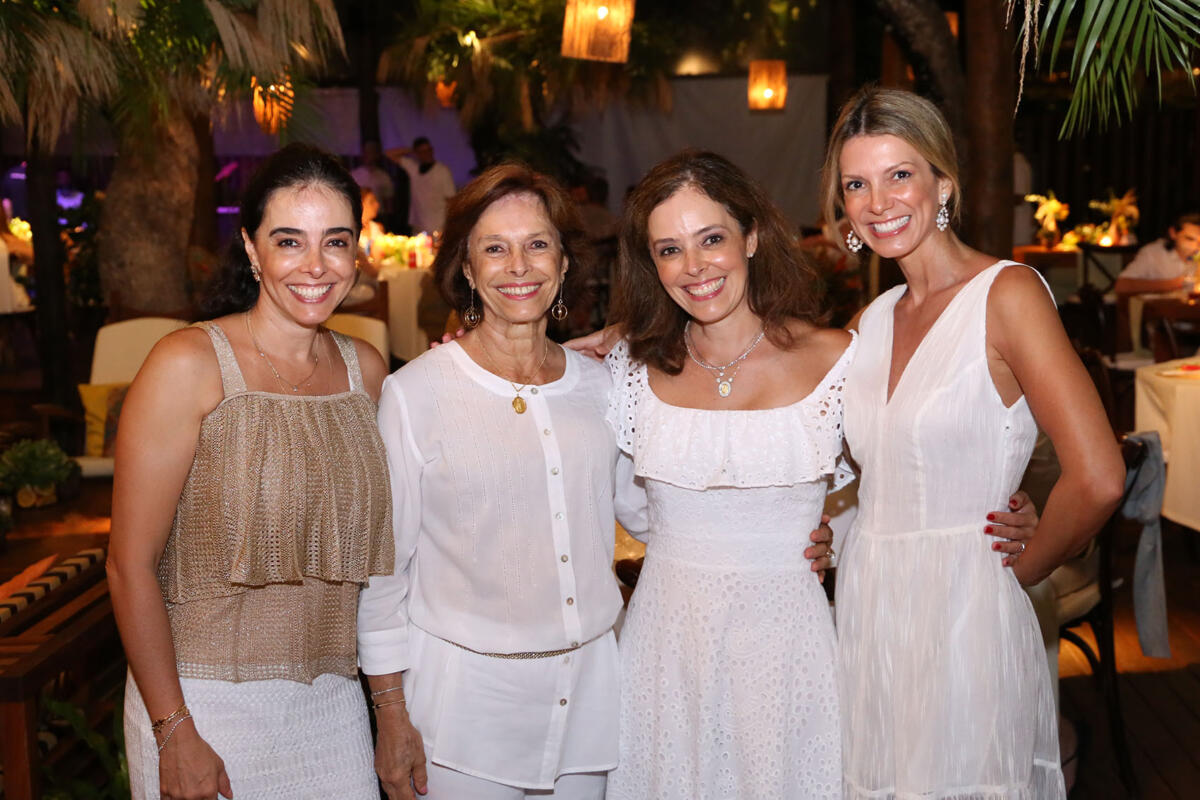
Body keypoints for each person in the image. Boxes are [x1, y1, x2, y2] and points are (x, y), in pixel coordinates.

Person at [821, 86, 1125, 798]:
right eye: (856, 185)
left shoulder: (1007, 295)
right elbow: (864, 468)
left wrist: (1025, 570)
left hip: (967, 610)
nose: (878, 202)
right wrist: (825, 530)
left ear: (944, 183)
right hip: (871, 607)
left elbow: (1099, 475)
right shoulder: (870, 321)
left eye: (900, 175)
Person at [107, 143, 394, 800]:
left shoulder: (367, 373)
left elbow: (386, 565)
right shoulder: (187, 364)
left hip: (332, 704)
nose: (316, 265)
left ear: (357, 252)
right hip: (202, 705)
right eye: (289, 241)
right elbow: (128, 565)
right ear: (251, 248)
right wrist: (173, 729)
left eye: (335, 241)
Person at [357, 163, 651, 800]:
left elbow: (657, 513)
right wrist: (390, 716)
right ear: (466, 268)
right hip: (464, 718)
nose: (519, 266)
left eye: (537, 244)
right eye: (495, 248)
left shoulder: (601, 387)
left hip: (590, 705)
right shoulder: (416, 393)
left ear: (563, 264)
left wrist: (774, 524)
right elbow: (383, 573)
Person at [599, 149, 853, 799]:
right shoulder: (628, 371)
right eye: (670, 250)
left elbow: (886, 484)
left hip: (788, 647)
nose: (694, 266)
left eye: (711, 239)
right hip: (665, 649)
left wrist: (837, 536)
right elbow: (620, 500)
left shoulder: (839, 361)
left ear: (752, 237)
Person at [1114, 210, 1200, 295]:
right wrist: (1175, 284)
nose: (1197, 246)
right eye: (1190, 239)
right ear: (1173, 233)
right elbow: (1122, 286)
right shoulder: (1153, 253)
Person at [386, 137, 456, 233]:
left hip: (438, 226)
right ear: (417, 154)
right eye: (422, 151)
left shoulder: (442, 171)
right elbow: (389, 154)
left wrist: (450, 225)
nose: (427, 154)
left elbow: (451, 200)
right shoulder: (414, 168)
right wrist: (410, 150)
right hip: (418, 226)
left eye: (429, 150)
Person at [353, 140, 397, 220]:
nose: (369, 155)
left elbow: (389, 200)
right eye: (367, 152)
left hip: (379, 216)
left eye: (372, 152)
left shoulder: (383, 176)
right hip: (360, 216)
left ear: (377, 155)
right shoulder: (354, 175)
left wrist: (390, 218)